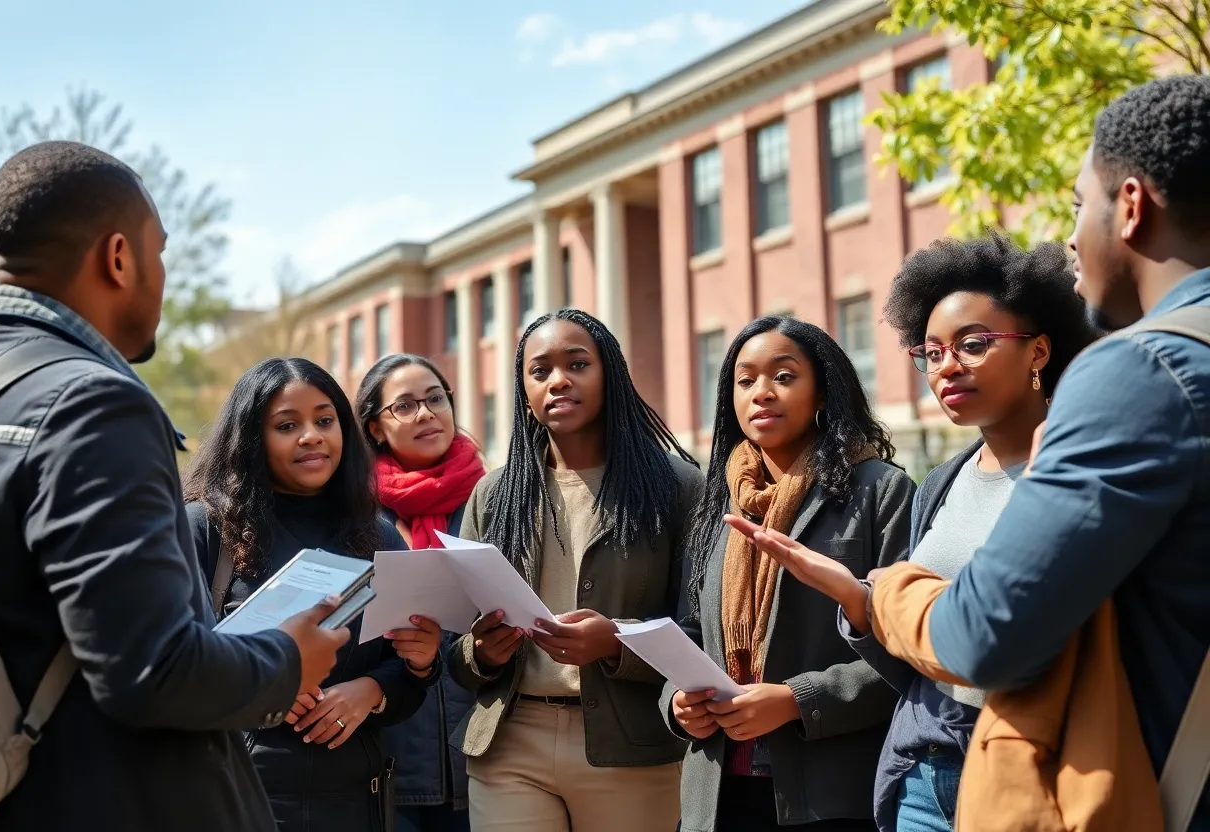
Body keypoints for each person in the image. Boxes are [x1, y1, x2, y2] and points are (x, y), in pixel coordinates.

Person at [871, 74, 1210, 829]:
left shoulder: (1139, 371)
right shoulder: (947, 480)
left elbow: (986, 635)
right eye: (930, 352)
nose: (1068, 237)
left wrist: (886, 593)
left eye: (1075, 205)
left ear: (1130, 206)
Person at [0, 140, 348, 830]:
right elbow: (151, 671)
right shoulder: (92, 405)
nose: (162, 276)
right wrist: (287, 661)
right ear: (118, 258)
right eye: (160, 253)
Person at [727, 240, 1098, 831]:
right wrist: (857, 601)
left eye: (973, 345)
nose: (948, 366)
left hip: (1031, 768)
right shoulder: (941, 485)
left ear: (1040, 350)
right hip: (921, 776)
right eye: (932, 353)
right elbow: (914, 663)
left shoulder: (1083, 471)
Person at [448, 309, 703, 832]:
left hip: (629, 746)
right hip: (510, 741)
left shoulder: (677, 487)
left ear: (609, 374)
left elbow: (701, 630)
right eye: (540, 371)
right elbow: (456, 646)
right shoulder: (495, 495)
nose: (558, 380)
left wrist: (616, 642)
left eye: (578, 364)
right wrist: (482, 651)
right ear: (524, 393)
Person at [667, 315, 913, 832]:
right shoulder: (720, 500)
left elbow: (908, 648)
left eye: (783, 376)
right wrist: (677, 703)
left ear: (823, 391)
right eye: (745, 379)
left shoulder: (879, 491)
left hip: (830, 792)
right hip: (717, 792)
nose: (762, 392)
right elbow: (690, 630)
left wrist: (798, 702)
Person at [184, 357, 442, 831]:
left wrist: (382, 686)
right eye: (287, 425)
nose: (311, 436)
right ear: (251, 438)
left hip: (356, 801)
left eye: (325, 420)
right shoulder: (205, 530)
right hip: (239, 796)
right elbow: (174, 662)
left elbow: (407, 674)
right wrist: (271, 676)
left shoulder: (378, 535)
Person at [355, 353, 482, 832]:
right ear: (374, 428)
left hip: (482, 756)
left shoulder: (494, 501)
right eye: (404, 406)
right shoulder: (357, 516)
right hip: (385, 761)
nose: (426, 413)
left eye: (435, 399)